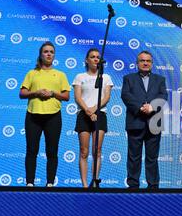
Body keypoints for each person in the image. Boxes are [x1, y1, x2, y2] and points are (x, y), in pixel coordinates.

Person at [19, 41, 71, 187]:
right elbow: (22, 93)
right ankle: (29, 183)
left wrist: (53, 93)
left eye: (51, 52)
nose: (49, 54)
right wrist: (36, 92)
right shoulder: (32, 73)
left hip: (53, 116)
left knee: (52, 151)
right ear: (41, 55)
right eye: (46, 52)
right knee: (31, 150)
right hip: (33, 116)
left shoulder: (60, 74)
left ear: (54, 56)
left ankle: (50, 183)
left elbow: (66, 96)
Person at [121, 51, 168, 189]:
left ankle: (153, 185)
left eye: (148, 61)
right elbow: (126, 95)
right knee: (133, 157)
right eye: (142, 61)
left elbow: (163, 95)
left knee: (152, 157)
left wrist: (152, 106)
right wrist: (141, 107)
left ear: (152, 63)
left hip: (154, 122)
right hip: (135, 122)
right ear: (137, 63)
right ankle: (133, 185)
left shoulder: (160, 79)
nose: (145, 63)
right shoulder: (128, 78)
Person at [72, 48, 113, 188]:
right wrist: (88, 111)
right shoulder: (80, 77)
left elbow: (106, 97)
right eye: (92, 57)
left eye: (97, 57)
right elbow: (77, 97)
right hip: (83, 114)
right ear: (86, 60)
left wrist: (95, 109)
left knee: (97, 150)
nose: (96, 59)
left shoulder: (105, 78)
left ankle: (94, 182)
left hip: (100, 114)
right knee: (84, 151)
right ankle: (84, 185)